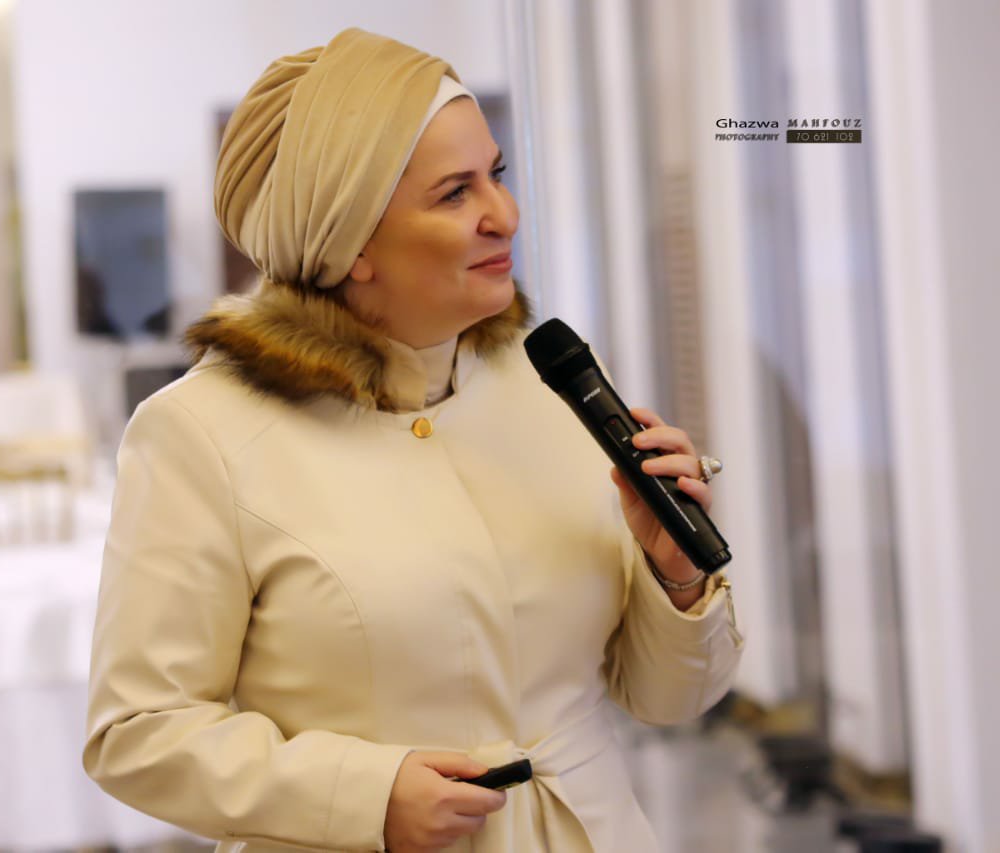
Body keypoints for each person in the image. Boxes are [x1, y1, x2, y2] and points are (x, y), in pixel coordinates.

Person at [83, 27, 744, 853]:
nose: (504, 215)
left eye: (497, 174)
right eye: (455, 193)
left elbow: (669, 698)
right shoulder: (202, 434)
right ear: (351, 242)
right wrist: (363, 793)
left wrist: (675, 577)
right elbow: (137, 730)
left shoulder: (554, 386)